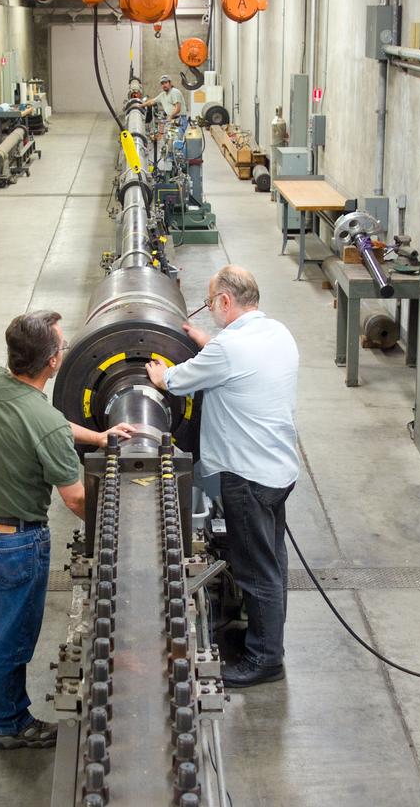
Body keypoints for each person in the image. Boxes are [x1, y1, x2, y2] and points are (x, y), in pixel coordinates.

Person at [0, 310, 131, 749]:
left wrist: (97, 438)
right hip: (18, 542)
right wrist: (113, 531)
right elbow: (74, 497)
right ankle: (12, 724)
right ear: (53, 362)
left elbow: (44, 422)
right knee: (11, 636)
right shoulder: (45, 422)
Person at [146, 266, 300, 689]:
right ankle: (268, 635)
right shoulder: (276, 333)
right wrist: (208, 341)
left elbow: (174, 381)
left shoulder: (228, 349)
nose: (210, 309)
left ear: (226, 302)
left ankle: (264, 659)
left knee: (255, 569)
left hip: (247, 478)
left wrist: (159, 375)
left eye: (211, 302)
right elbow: (236, 360)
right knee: (272, 558)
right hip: (279, 470)